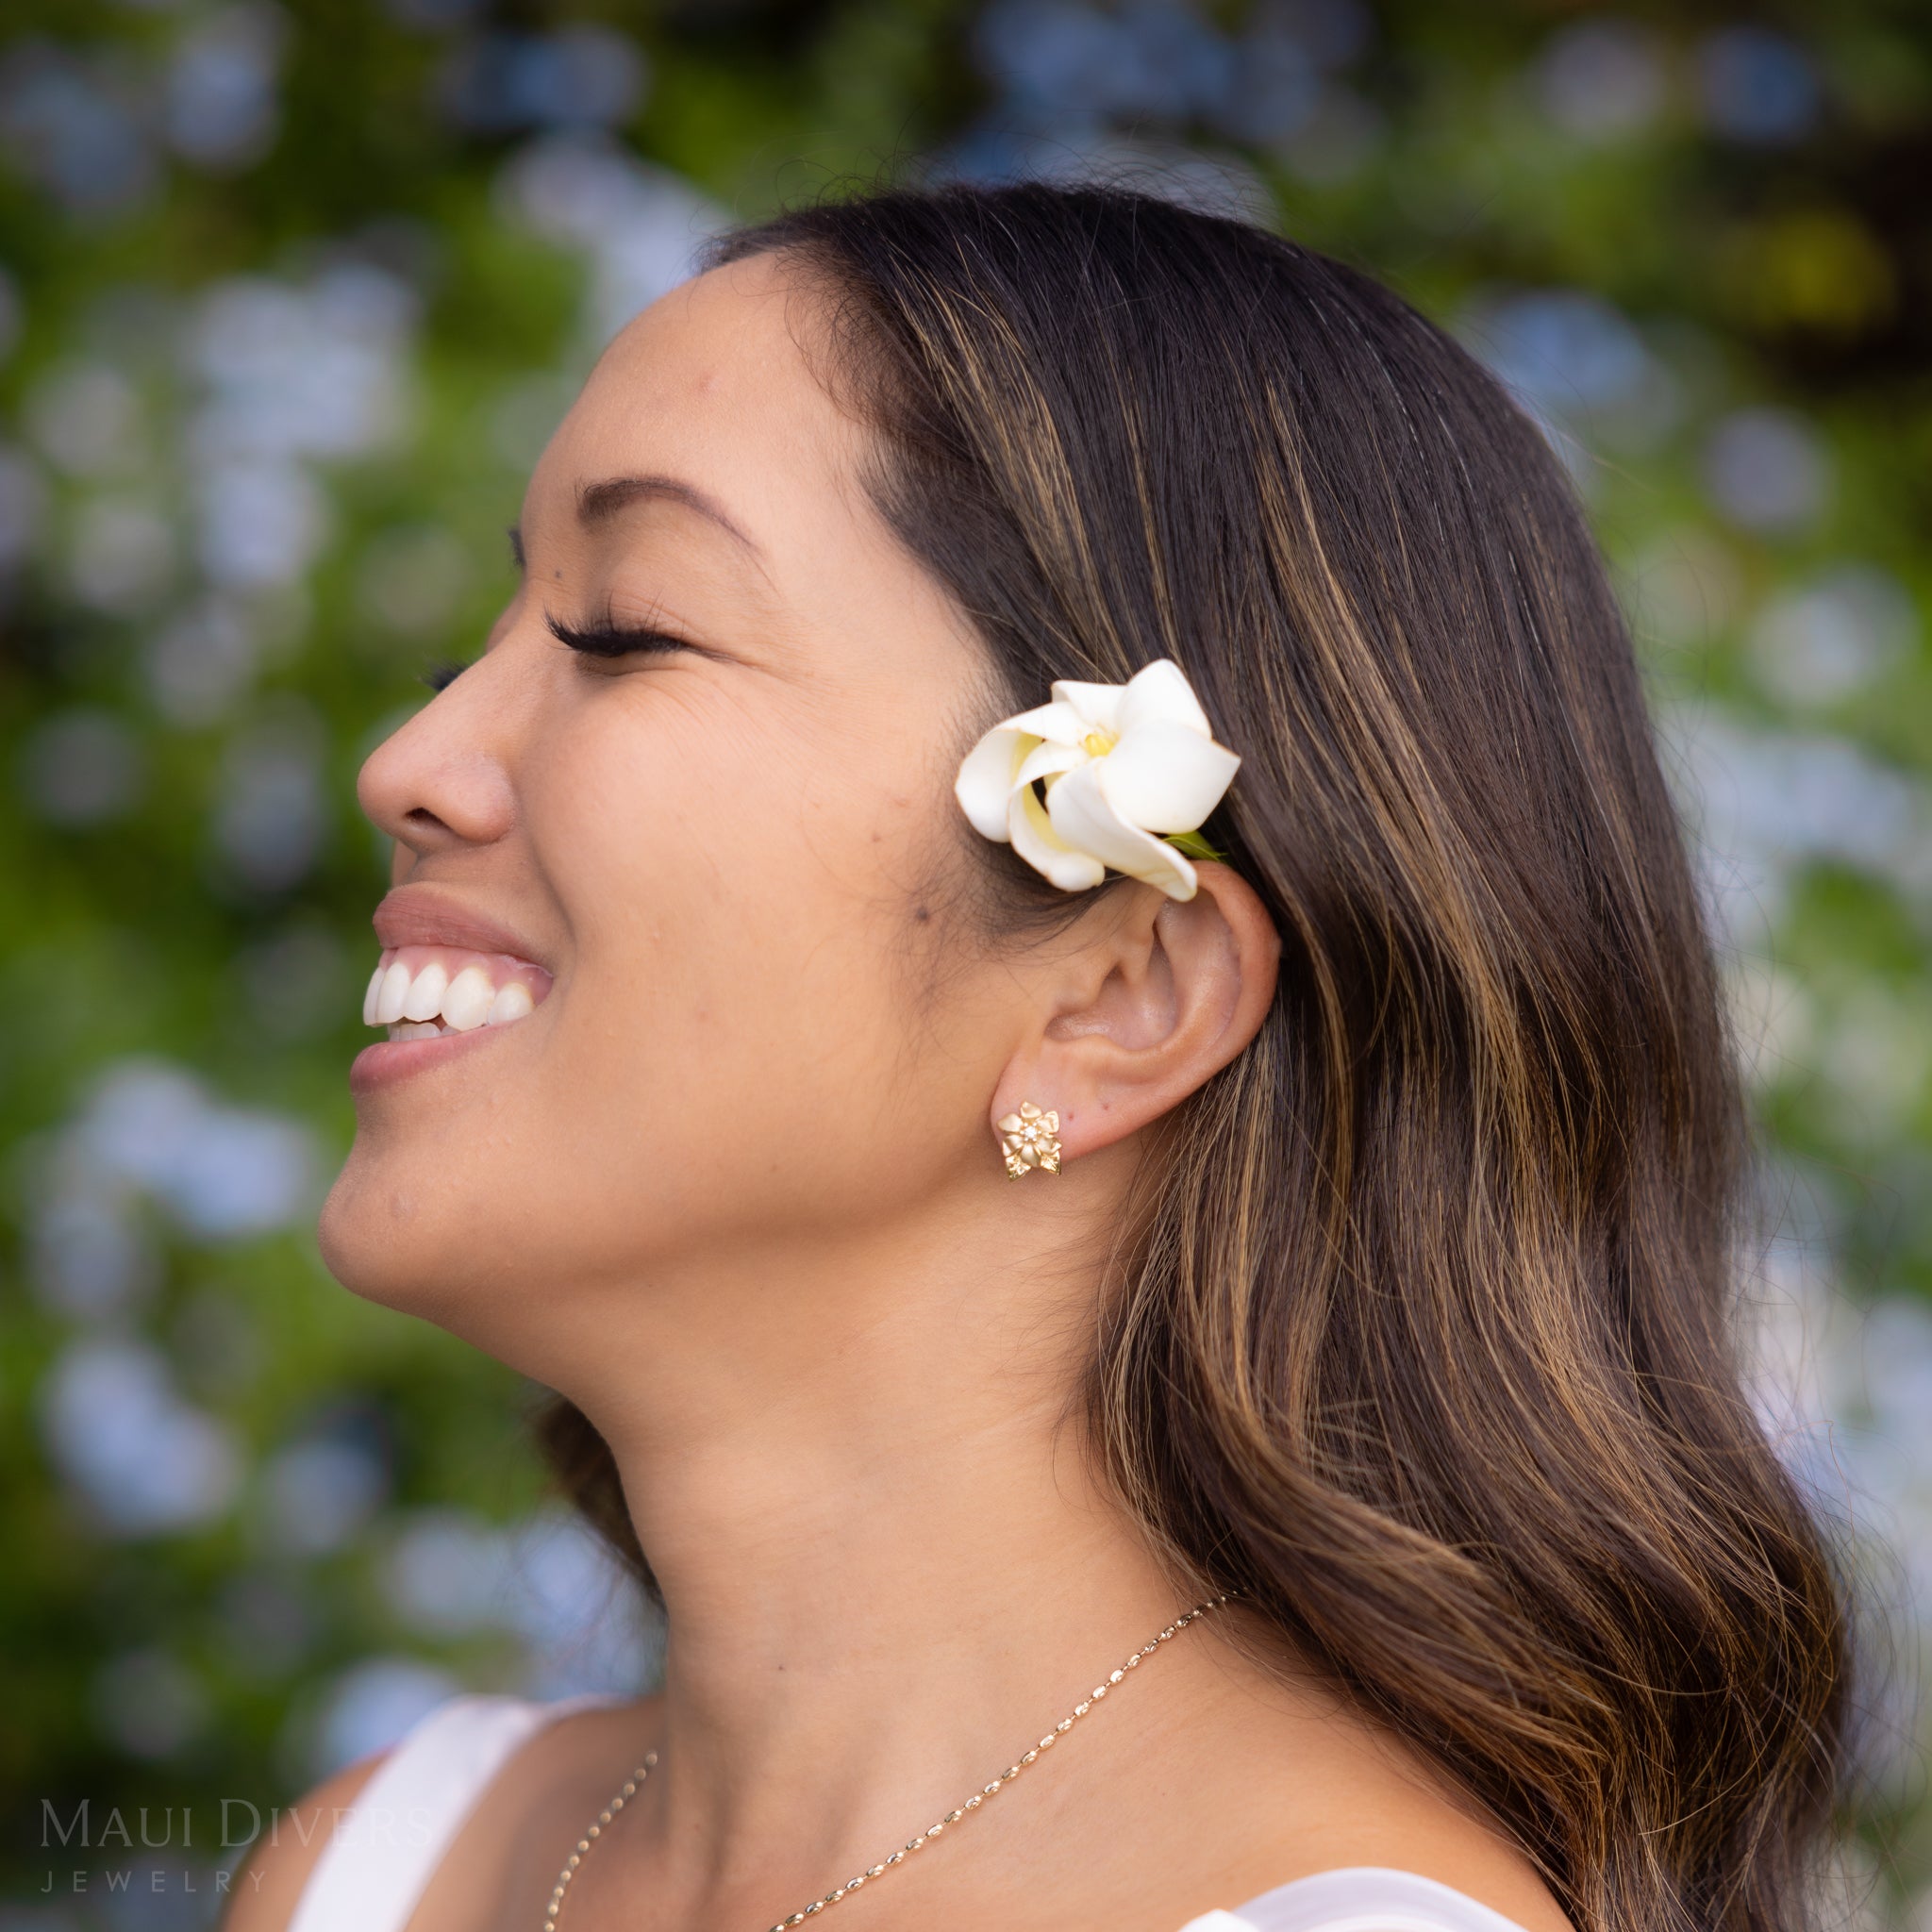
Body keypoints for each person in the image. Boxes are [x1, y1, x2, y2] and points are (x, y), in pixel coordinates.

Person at [228, 182, 1853, 1932]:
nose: (407, 762)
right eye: (476, 643)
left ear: (1124, 994)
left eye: (625, 631)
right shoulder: (386, 1867)